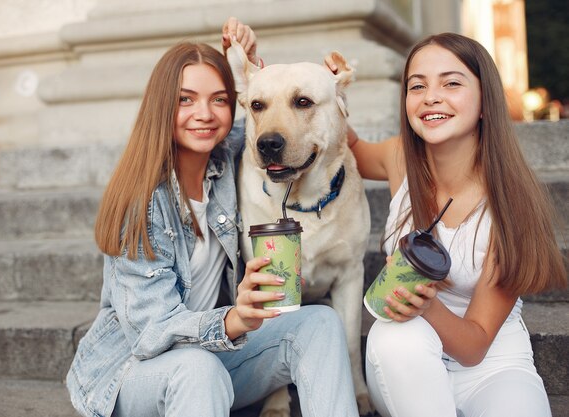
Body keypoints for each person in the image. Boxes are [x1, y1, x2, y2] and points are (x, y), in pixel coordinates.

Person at [66, 17, 360, 417]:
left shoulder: (225, 163)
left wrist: (255, 69)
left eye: (218, 99)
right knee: (197, 367)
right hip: (130, 376)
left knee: (322, 323)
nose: (203, 113)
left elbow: (275, 130)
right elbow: (151, 334)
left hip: (214, 358)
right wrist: (234, 320)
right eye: (185, 99)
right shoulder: (140, 202)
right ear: (161, 107)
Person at [336, 33, 567, 417]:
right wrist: (325, 91)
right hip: (402, 365)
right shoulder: (400, 159)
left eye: (452, 83)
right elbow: (350, 148)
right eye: (417, 86)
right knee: (398, 334)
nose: (431, 96)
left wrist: (426, 305)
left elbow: (475, 345)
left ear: (484, 102)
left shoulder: (512, 203)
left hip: (491, 365)